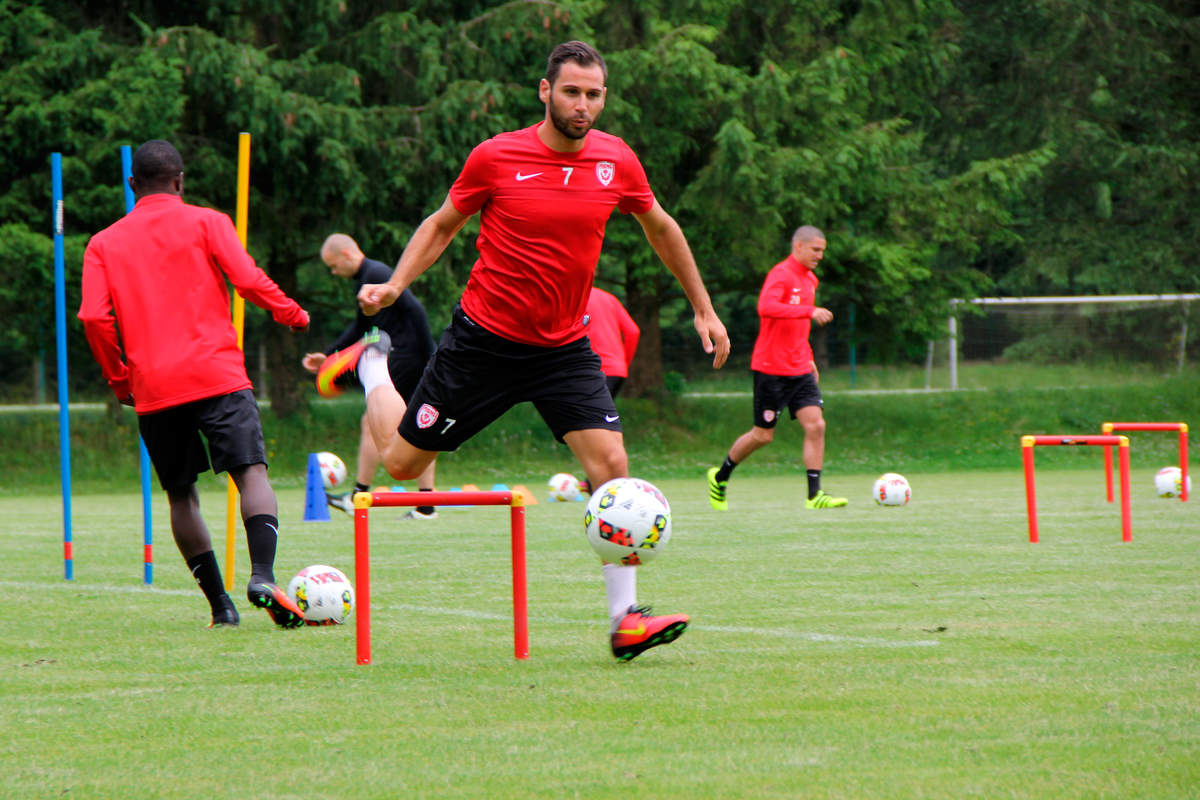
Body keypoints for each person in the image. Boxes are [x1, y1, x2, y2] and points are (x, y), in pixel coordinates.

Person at [318, 41, 730, 661]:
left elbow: (662, 228)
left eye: (594, 95)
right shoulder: (497, 156)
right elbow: (440, 225)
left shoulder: (616, 161)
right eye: (571, 92)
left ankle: (626, 622)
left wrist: (702, 306)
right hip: (480, 344)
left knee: (611, 463)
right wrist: (398, 283)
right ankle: (374, 368)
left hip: (563, 349)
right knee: (402, 469)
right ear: (545, 91)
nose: (583, 105)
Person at [78, 139, 309, 629]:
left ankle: (220, 608)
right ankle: (262, 576)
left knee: (182, 496)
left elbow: (94, 318)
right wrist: (291, 312)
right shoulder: (208, 222)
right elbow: (246, 279)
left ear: (132, 185)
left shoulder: (103, 242)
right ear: (180, 181)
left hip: (155, 388)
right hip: (217, 374)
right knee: (251, 474)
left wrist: (121, 379)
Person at [706, 226, 848, 511]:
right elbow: (766, 306)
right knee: (762, 435)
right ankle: (720, 476)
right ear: (798, 246)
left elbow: (799, 327)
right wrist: (809, 310)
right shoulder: (781, 274)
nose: (820, 256)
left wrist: (808, 356)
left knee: (816, 425)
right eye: (815, 250)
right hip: (771, 368)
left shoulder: (810, 280)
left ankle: (814, 495)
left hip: (799, 368)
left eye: (822, 251)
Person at [304, 233, 440, 519]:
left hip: (404, 354)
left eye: (333, 265)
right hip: (406, 354)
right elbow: (360, 328)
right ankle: (426, 505)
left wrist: (431, 355)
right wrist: (328, 357)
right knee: (416, 422)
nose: (333, 272)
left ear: (346, 255)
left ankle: (359, 496)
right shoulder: (367, 278)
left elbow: (415, 310)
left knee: (372, 421)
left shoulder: (376, 273)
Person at [584, 285, 640, 399]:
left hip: (593, 371)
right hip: (617, 370)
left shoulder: (575, 299)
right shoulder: (609, 298)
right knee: (601, 415)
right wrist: (623, 362)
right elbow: (633, 331)